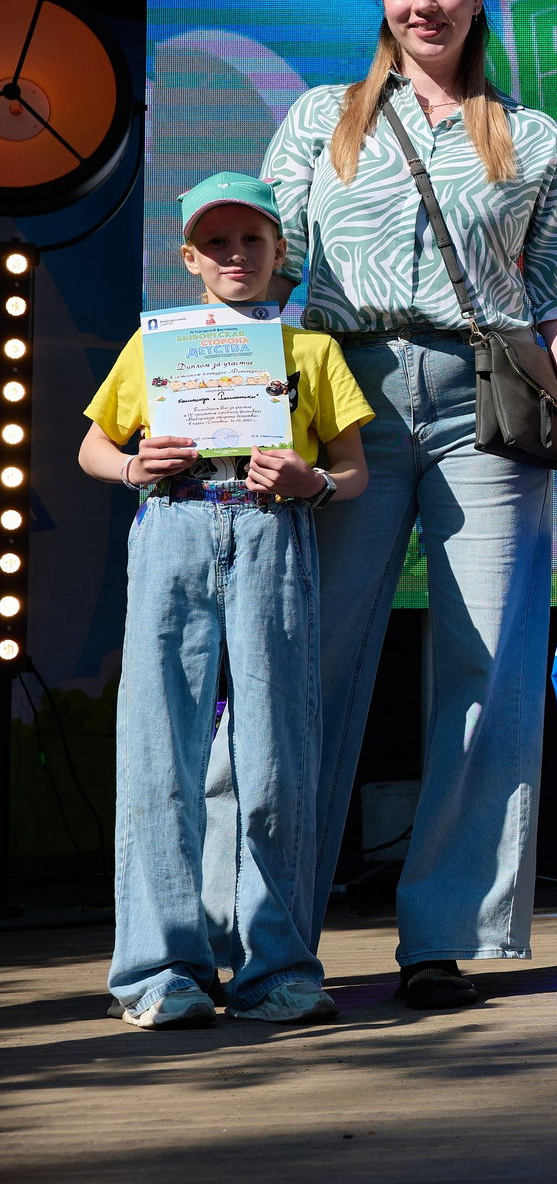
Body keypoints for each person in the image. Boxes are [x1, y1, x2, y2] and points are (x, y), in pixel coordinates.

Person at [263, 0, 557, 1010]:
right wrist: (242, 403)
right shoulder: (323, 119)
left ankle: (444, 937)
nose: (425, 3)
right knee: (303, 663)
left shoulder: (533, 136)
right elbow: (261, 264)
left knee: (488, 667)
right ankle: (269, 935)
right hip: (341, 398)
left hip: (486, 407)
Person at [81, 173, 372, 1027]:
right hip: (172, 526)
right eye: (217, 244)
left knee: (276, 751)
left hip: (272, 532)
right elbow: (94, 446)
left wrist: (312, 478)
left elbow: (355, 472)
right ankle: (159, 970)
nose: (235, 256)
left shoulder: (309, 349)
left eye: (252, 241)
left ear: (281, 253)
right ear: (189, 260)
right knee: (156, 747)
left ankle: (273, 967)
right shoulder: (154, 343)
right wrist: (136, 466)